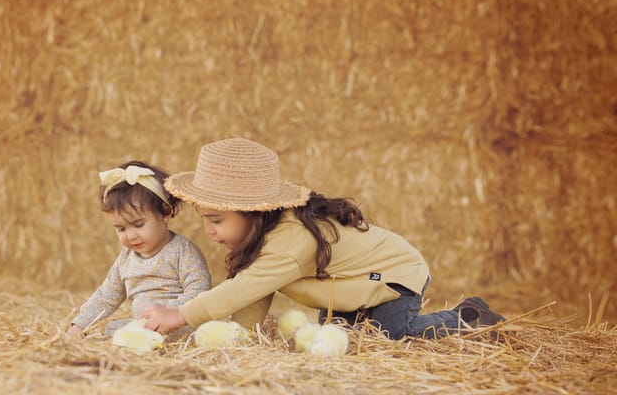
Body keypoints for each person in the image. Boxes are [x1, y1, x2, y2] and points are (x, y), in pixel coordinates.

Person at [139, 138, 505, 339]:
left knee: (394, 334)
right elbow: (253, 292)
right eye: (205, 219)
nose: (208, 231)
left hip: (392, 274)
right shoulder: (262, 239)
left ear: (253, 212)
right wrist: (239, 337)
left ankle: (467, 316)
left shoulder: (289, 239)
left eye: (216, 220)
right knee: (338, 341)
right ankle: (360, 319)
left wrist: (180, 315)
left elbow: (245, 286)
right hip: (345, 287)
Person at [67, 160, 211, 338]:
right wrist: (79, 325)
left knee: (198, 331)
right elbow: (106, 295)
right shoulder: (126, 259)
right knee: (111, 329)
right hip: (143, 327)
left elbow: (199, 290)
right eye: (121, 229)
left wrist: (170, 312)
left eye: (138, 224)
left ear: (165, 212)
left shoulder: (182, 251)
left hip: (177, 324)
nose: (130, 235)